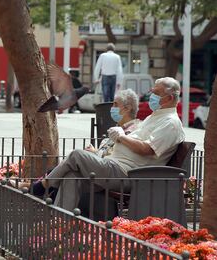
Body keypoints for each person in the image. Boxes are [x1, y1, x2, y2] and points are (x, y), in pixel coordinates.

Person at [33, 77, 185, 211]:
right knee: (72, 176)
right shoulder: (155, 117)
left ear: (170, 98)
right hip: (114, 167)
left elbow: (148, 149)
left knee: (76, 155)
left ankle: (41, 187)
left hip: (127, 174)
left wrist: (121, 137)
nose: (151, 96)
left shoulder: (170, 123)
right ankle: (61, 225)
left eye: (156, 93)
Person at [85, 89, 140, 158]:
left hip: (112, 166)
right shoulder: (121, 128)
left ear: (127, 108)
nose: (112, 108)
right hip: (106, 165)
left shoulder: (131, 131)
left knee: (77, 155)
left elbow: (114, 155)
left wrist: (95, 152)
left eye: (115, 105)